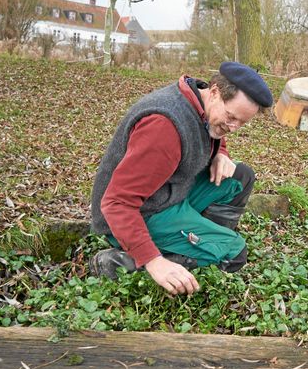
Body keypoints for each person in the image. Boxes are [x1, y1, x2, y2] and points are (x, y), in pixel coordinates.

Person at [89, 62, 273, 296]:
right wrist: (154, 261)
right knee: (234, 253)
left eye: (242, 122)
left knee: (240, 178)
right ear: (215, 92)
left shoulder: (199, 99)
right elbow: (117, 202)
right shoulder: (163, 128)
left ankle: (197, 240)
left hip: (171, 191)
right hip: (143, 213)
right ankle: (124, 262)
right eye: (231, 117)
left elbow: (207, 129)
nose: (234, 127)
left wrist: (220, 153)